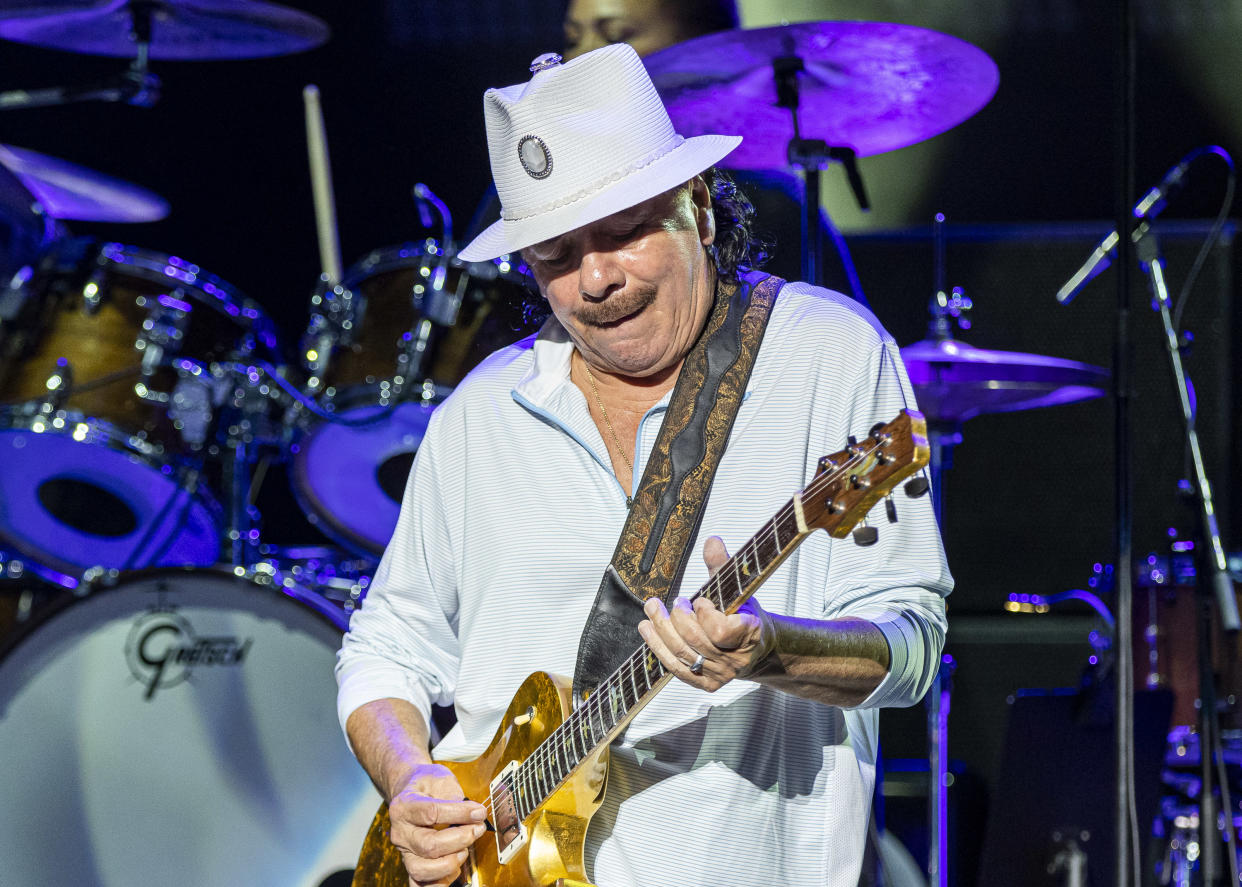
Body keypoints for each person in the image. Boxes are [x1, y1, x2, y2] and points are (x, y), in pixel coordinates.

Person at [337, 44, 951, 887]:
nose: (595, 277)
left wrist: (770, 649)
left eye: (624, 230)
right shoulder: (480, 412)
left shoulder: (827, 354)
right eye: (556, 253)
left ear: (697, 208)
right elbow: (387, 643)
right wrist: (411, 779)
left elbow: (912, 648)